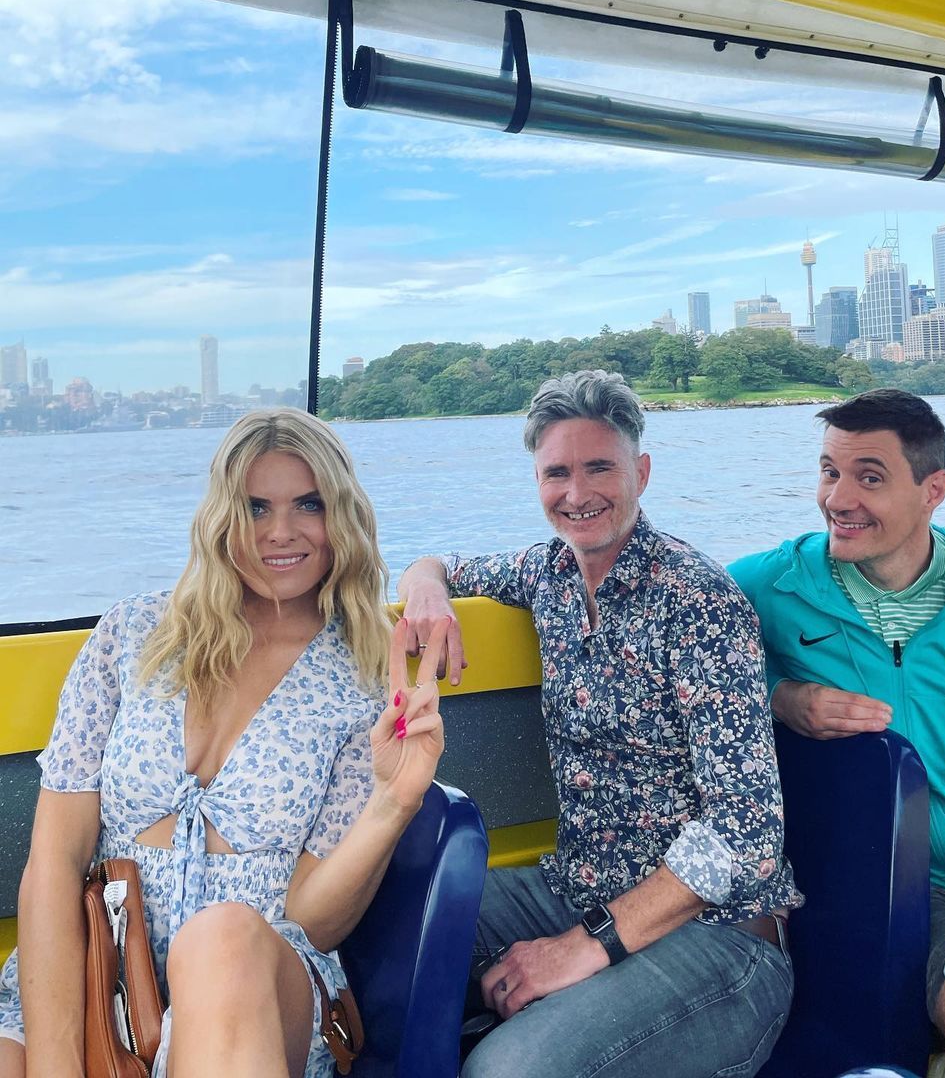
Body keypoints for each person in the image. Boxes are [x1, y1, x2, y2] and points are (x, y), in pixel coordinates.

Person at [0, 407, 447, 1078]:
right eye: (256, 507)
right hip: (100, 978)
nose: (281, 531)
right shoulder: (131, 635)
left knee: (223, 939)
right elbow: (53, 863)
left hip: (256, 989)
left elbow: (312, 922)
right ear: (221, 517)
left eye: (309, 504)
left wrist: (394, 802)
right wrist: (58, 1065)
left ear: (342, 516)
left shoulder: (364, 678)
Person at [399, 370, 801, 1078]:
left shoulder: (699, 604)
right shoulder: (547, 574)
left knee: (506, 1073)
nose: (577, 493)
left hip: (719, 938)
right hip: (576, 889)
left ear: (640, 473)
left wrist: (585, 948)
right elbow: (440, 565)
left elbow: (747, 834)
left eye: (599, 468)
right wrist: (425, 588)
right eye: (557, 473)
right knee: (390, 922)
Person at [728, 388, 945, 1078]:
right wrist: (777, 696)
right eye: (829, 471)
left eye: (869, 477)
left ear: (933, 490)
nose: (838, 499)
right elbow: (672, 634)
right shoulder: (770, 588)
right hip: (911, 890)